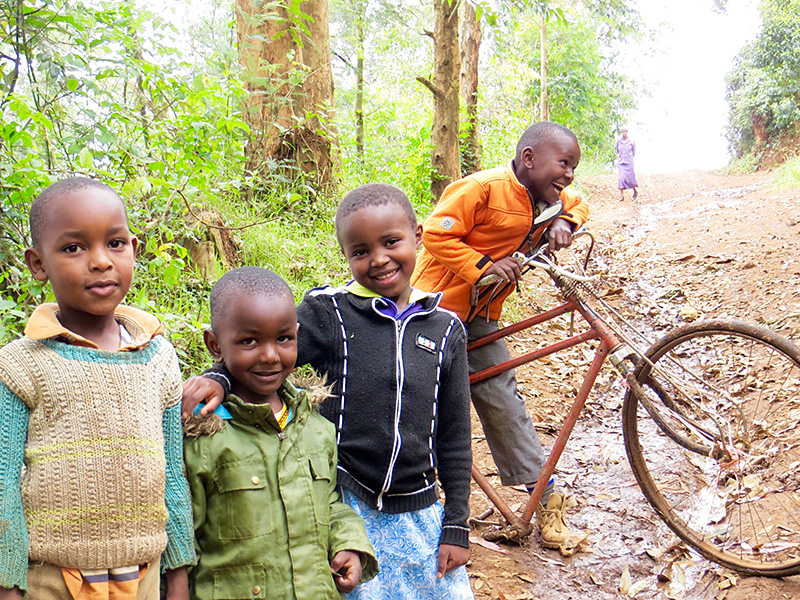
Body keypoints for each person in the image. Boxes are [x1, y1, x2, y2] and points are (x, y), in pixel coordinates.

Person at [182, 183, 474, 599]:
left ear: (419, 235)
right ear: (346, 256)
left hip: (420, 512)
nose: (379, 259)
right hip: (346, 503)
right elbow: (266, 347)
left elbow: (455, 434)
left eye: (392, 242)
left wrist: (457, 524)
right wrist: (220, 378)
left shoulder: (445, 329)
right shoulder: (329, 314)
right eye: (360, 251)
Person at [0, 178, 196, 599]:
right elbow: (3, 481)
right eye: (73, 248)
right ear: (38, 264)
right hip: (52, 576)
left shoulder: (158, 357)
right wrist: (8, 582)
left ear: (134, 249)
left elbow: (173, 475)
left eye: (115, 243)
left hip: (144, 574)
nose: (101, 261)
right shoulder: (20, 364)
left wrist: (178, 574)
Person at [411, 121, 589, 550]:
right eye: (563, 164)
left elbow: (580, 204)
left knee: (504, 399)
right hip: (431, 313)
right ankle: (412, 506)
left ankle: (545, 504)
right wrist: (484, 264)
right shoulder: (484, 188)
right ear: (529, 159)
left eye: (573, 167)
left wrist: (565, 220)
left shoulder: (549, 198)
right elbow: (434, 232)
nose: (568, 175)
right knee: (419, 408)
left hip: (480, 318)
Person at [180, 266, 378, 599]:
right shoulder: (202, 435)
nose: (270, 355)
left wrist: (348, 544)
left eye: (283, 338)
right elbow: (181, 536)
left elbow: (330, 502)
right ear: (215, 345)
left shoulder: (315, 427)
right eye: (249, 341)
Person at [616, 127, 638, 201]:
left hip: (629, 162)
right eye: (622, 132)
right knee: (621, 178)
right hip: (621, 162)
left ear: (627, 132)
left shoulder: (631, 142)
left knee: (631, 178)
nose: (623, 133)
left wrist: (629, 158)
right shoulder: (619, 142)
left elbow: (633, 152)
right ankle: (622, 195)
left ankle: (635, 191)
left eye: (625, 132)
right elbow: (618, 151)